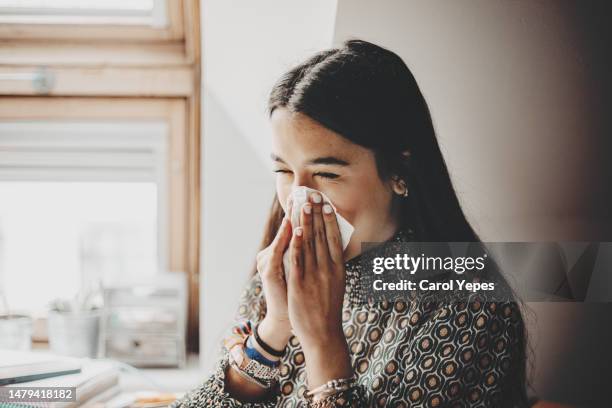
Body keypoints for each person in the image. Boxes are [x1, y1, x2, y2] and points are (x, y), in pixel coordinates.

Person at [171, 39, 529, 407]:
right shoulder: (276, 281)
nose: (299, 197)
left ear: (398, 171)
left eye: (326, 173)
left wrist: (323, 340)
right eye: (283, 170)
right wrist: (272, 330)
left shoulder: (470, 308)